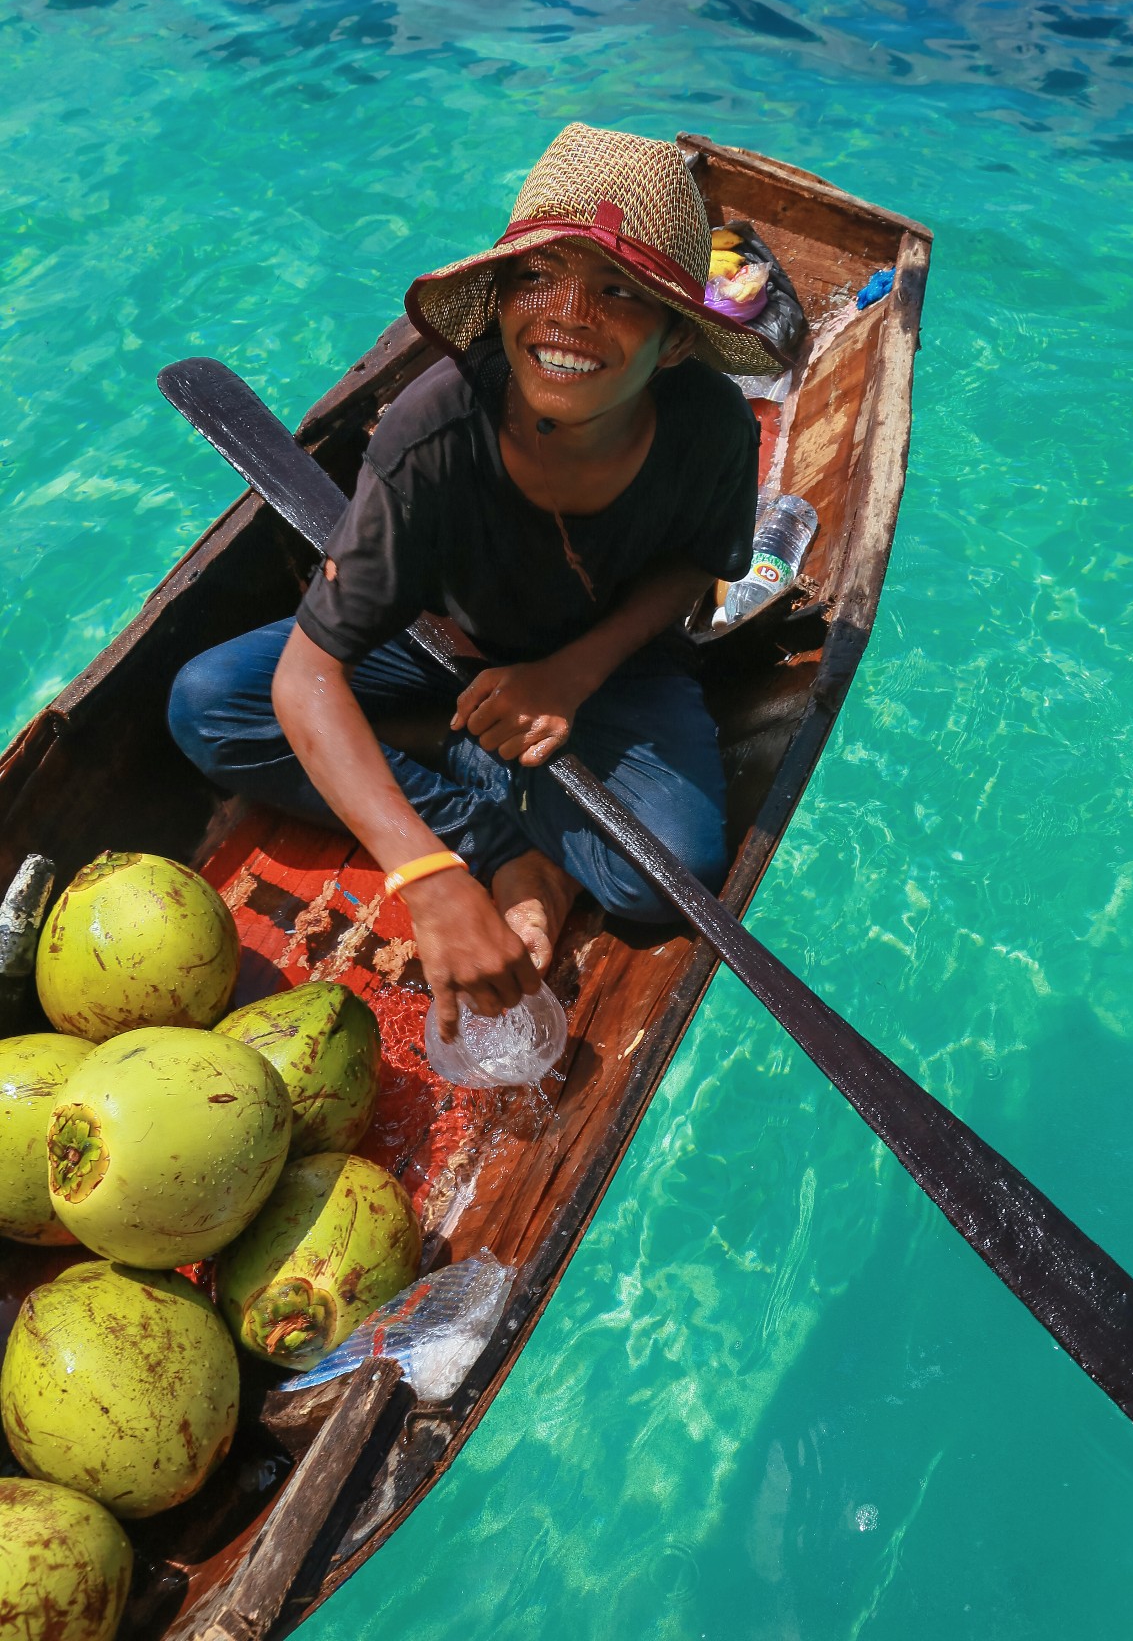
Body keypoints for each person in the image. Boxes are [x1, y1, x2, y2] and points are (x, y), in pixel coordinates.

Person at [167, 123, 784, 1040]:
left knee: (667, 879)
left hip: (613, 665)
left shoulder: (712, 428)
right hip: (437, 644)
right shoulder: (432, 431)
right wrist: (430, 871)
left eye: (618, 291)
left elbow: (698, 564)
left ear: (675, 344)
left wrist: (569, 675)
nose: (569, 314)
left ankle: (475, 762)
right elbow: (307, 674)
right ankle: (493, 821)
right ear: (497, 301)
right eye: (536, 278)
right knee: (210, 705)